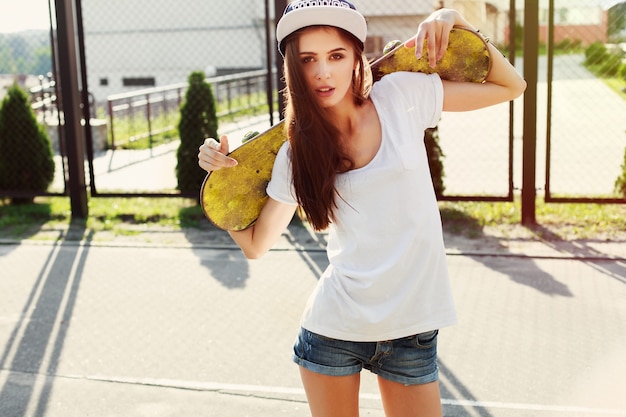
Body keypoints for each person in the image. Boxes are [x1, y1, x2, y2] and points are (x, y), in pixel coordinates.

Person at [198, 1, 526, 416]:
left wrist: (458, 21)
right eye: (308, 59)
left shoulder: (402, 96)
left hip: (413, 329)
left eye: (336, 55)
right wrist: (223, 182)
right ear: (294, 70)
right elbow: (255, 246)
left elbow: (510, 86)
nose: (323, 72)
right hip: (335, 329)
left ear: (357, 55)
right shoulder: (297, 153)